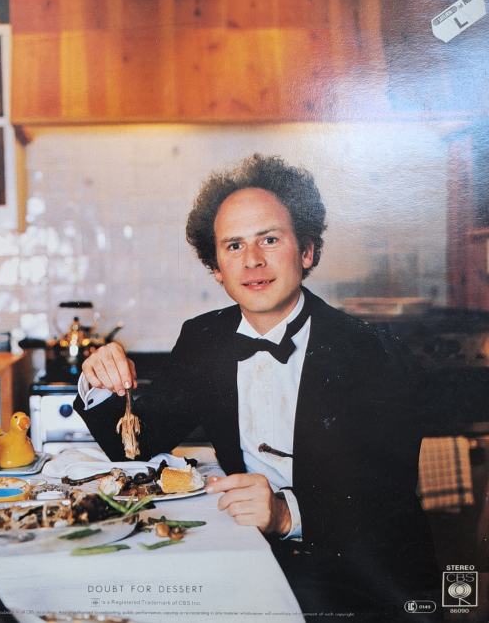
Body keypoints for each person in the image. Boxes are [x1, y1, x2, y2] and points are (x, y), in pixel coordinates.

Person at [74, 155, 439, 620]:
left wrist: (286, 514)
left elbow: (388, 498)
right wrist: (99, 378)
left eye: (269, 239)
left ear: (306, 251)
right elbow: (136, 447)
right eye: (233, 246)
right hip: (250, 562)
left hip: (363, 582)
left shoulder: (373, 351)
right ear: (216, 269)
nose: (252, 260)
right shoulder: (203, 339)